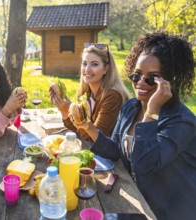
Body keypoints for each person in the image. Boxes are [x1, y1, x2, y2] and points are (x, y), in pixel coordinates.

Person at [74, 33, 196, 220]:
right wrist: (88, 126)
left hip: (167, 211)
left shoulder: (181, 122)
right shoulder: (130, 107)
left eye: (152, 77)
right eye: (137, 74)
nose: (140, 82)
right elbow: (115, 150)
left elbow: (143, 163)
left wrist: (151, 113)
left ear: (170, 80)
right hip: (137, 201)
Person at [50, 43, 131, 144]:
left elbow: (94, 140)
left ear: (106, 69)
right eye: (84, 64)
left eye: (94, 64)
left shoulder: (113, 96)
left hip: (110, 157)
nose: (87, 69)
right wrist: (64, 111)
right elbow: (78, 131)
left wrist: (71, 111)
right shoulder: (86, 92)